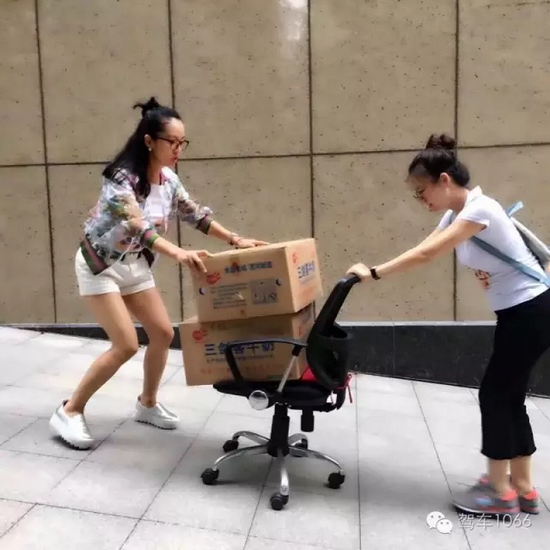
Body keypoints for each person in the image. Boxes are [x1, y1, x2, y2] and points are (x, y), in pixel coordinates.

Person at [347, 133, 550, 516]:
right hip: (520, 313)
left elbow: (428, 253)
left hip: (532, 310)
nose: (420, 199)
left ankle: (499, 493)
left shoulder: (480, 209)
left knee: (495, 395)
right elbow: (426, 246)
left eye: (422, 190)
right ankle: (522, 488)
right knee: (509, 395)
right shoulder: (456, 214)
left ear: (444, 180)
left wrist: (372, 273)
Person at [49, 97, 267, 450]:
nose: (178, 149)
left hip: (134, 265)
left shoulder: (168, 180)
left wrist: (234, 239)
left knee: (163, 334)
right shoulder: (120, 178)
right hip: (101, 266)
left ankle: (147, 404)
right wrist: (179, 253)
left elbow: (195, 215)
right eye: (172, 142)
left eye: (183, 142)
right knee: (125, 345)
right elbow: (137, 226)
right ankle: (69, 410)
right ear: (150, 141)